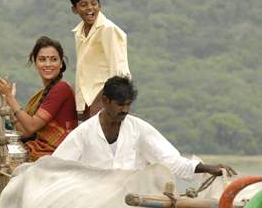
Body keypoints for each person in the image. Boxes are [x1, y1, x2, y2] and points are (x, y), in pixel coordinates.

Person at [53, 76, 236, 179]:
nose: (125, 110)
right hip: (93, 204)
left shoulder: (139, 129)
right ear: (105, 101)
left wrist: (207, 168)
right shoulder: (83, 133)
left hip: (131, 202)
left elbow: (170, 161)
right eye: (120, 105)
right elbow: (56, 167)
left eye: (128, 104)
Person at [0, 36, 78, 161]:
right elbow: (26, 132)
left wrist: (10, 97)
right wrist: (9, 104)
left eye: (53, 59)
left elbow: (31, 126)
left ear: (61, 63)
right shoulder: (43, 94)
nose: (48, 64)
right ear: (35, 63)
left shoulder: (61, 88)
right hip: (42, 153)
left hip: (56, 155)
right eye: (42, 59)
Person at [70, 0, 131, 121]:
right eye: (83, 5)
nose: (90, 8)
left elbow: (118, 68)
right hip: (87, 96)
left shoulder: (107, 29)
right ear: (75, 10)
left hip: (104, 94)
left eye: (94, 3)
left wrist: (115, 100)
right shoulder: (79, 32)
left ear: (100, 6)